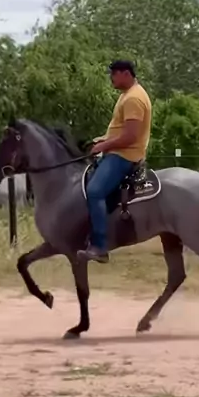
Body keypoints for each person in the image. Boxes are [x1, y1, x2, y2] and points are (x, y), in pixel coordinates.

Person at [77, 59, 152, 264]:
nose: (111, 78)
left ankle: (100, 247)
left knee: (95, 191)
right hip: (118, 151)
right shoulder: (127, 95)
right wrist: (102, 139)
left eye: (114, 74)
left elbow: (131, 137)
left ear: (125, 74)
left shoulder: (134, 98)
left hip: (125, 155)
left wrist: (104, 146)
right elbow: (120, 130)